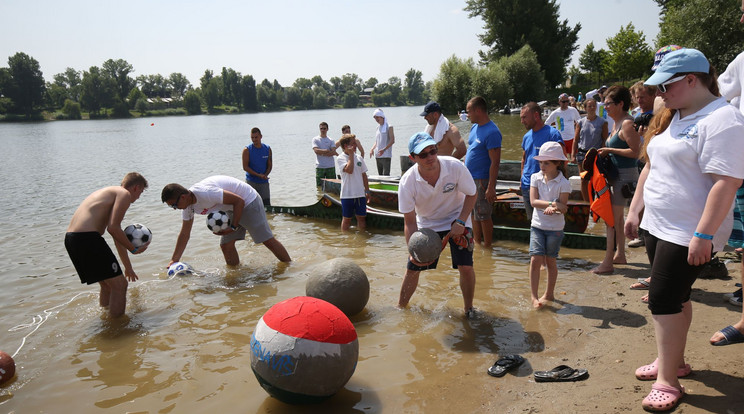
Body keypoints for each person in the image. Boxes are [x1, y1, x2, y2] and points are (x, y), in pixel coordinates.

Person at [624, 48, 744, 411]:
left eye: (666, 86)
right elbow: (652, 165)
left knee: (662, 300)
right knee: (678, 298)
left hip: (688, 229)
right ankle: (672, 359)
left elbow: (727, 182)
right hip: (658, 224)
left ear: (692, 79)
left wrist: (704, 235)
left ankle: (669, 382)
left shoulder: (723, 119)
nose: (660, 93)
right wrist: (635, 210)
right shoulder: (676, 114)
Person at [397, 132, 477, 318]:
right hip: (428, 224)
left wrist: (461, 221)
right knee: (412, 267)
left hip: (458, 218)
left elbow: (472, 194)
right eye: (423, 155)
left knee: (466, 266)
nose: (430, 157)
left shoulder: (455, 166)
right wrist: (412, 250)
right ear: (412, 158)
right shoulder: (407, 182)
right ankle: (400, 308)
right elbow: (409, 221)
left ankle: (469, 309)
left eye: (433, 151)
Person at [64, 172, 149, 318]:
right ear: (136, 187)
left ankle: (106, 322)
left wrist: (128, 267)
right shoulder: (124, 194)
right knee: (120, 286)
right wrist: (134, 249)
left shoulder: (110, 193)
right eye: (140, 193)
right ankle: (118, 329)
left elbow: (117, 236)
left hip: (72, 240)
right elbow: (113, 228)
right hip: (88, 239)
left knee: (107, 286)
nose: (138, 197)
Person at [162, 175, 291, 267]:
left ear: (183, 197)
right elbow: (185, 233)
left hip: (248, 201)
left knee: (267, 240)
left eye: (174, 205)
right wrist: (174, 260)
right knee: (226, 245)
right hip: (232, 207)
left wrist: (234, 226)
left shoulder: (206, 193)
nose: (174, 209)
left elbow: (239, 200)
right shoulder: (187, 207)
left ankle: (290, 266)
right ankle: (236, 275)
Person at [591, 85, 641, 275]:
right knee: (616, 219)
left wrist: (610, 150)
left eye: (609, 104)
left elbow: (636, 152)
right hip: (616, 177)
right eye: (604, 104)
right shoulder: (616, 123)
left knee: (611, 219)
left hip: (625, 178)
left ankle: (607, 263)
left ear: (621, 104)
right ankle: (620, 254)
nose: (605, 107)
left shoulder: (627, 123)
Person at [528, 142, 571, 309]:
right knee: (535, 259)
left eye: (547, 163)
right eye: (541, 162)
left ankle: (549, 293)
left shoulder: (564, 182)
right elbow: (533, 202)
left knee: (551, 261)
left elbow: (564, 208)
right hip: (537, 225)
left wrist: (556, 207)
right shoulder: (535, 177)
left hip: (555, 229)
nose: (542, 166)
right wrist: (553, 204)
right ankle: (534, 296)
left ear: (557, 163)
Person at [463, 96, 502, 247]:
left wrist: (491, 187)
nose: (467, 115)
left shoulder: (492, 132)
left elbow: (495, 162)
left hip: (482, 180)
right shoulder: (474, 128)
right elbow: (471, 150)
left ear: (478, 110)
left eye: (469, 111)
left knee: (484, 214)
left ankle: (488, 247)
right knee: (474, 213)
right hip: (470, 178)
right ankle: (477, 243)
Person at [519, 102, 564, 221]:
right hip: (528, 185)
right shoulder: (526, 136)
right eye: (521, 118)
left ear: (536, 115)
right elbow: (524, 159)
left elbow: (562, 161)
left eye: (524, 117)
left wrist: (561, 186)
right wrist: (522, 178)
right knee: (533, 222)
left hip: (546, 187)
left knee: (550, 220)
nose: (522, 121)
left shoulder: (553, 134)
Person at [336, 134, 371, 231]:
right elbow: (349, 170)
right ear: (346, 146)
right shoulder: (340, 158)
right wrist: (351, 155)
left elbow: (364, 175)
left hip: (360, 194)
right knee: (347, 220)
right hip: (347, 195)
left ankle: (361, 242)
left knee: (362, 219)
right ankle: (345, 241)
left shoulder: (359, 158)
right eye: (353, 143)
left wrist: (367, 191)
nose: (356, 145)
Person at [242, 127, 272, 206]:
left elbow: (270, 165)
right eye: (252, 137)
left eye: (256, 137)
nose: (254, 139)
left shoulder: (267, 149)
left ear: (261, 136)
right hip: (251, 182)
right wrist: (258, 175)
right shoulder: (247, 150)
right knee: (251, 206)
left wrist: (265, 174)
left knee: (266, 206)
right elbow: (245, 167)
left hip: (264, 182)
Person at [369, 109, 395, 175]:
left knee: (386, 175)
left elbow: (392, 140)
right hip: (378, 155)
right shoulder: (378, 128)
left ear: (382, 116)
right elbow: (377, 141)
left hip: (386, 155)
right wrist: (372, 149)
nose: (376, 119)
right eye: (375, 118)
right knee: (380, 176)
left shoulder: (389, 126)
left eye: (377, 117)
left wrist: (384, 149)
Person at [312, 122, 337, 186]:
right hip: (320, 166)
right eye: (321, 128)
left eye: (324, 128)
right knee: (319, 186)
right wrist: (326, 150)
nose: (322, 130)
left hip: (330, 166)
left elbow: (333, 151)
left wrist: (322, 152)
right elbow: (316, 151)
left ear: (327, 129)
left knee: (333, 186)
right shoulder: (315, 139)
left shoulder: (331, 140)